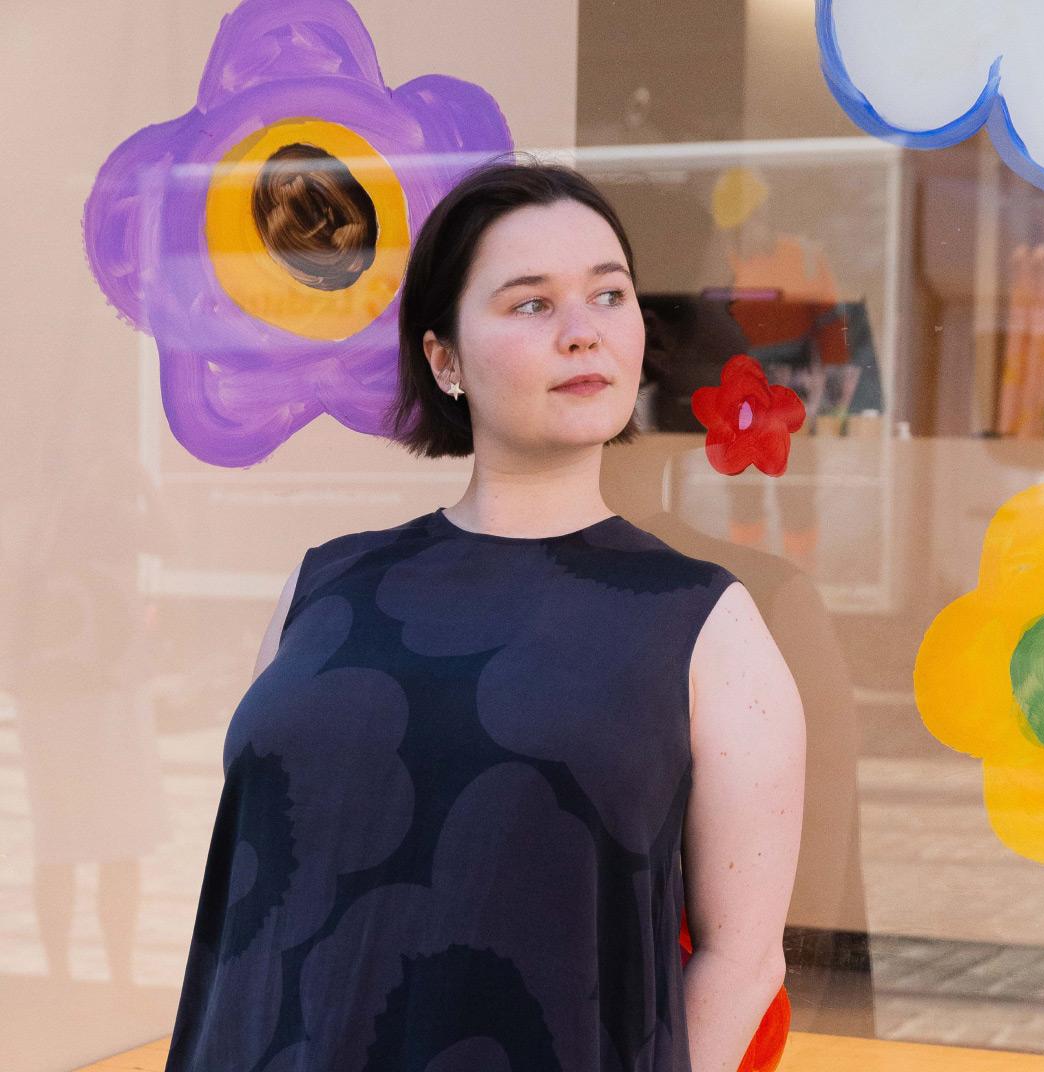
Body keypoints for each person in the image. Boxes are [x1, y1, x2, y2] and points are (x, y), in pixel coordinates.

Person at [163, 154, 806, 1072]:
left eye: (610, 296)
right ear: (445, 358)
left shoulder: (706, 625)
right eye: (532, 303)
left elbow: (744, 965)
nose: (583, 333)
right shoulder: (324, 586)